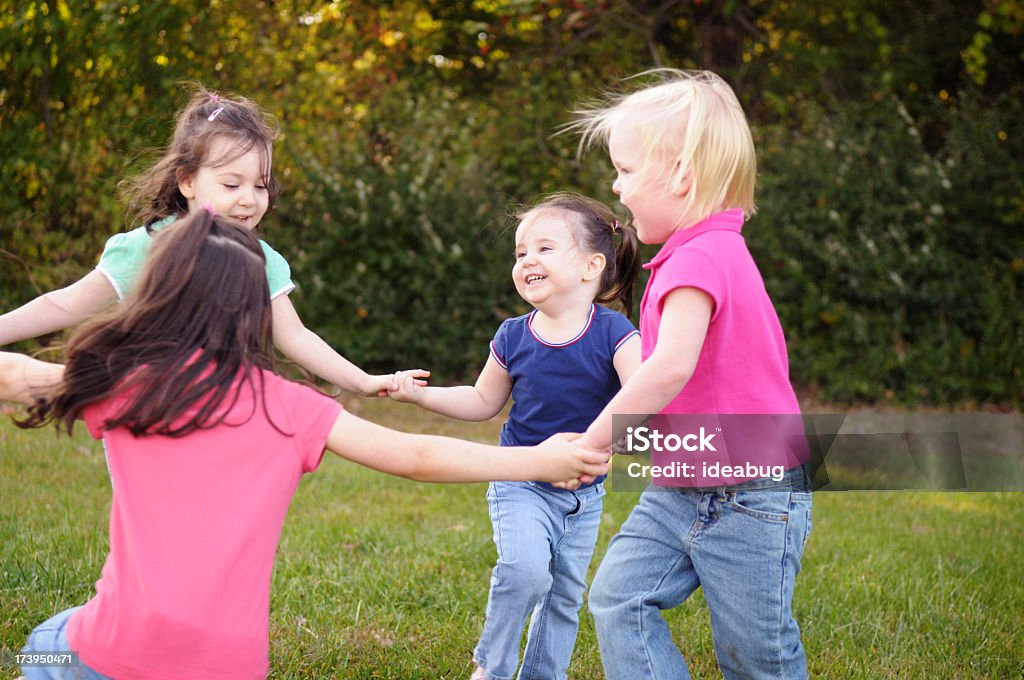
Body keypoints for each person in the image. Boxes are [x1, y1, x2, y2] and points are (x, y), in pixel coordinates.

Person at [0, 210, 610, 680]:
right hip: (231, 665)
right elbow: (418, 456)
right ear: (254, 315)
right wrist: (542, 459)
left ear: (157, 294)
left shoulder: (124, 387)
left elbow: (14, 376)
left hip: (115, 650)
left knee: (37, 654)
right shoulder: (286, 406)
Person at [568, 70, 813, 679]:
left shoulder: (702, 259)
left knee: (757, 657)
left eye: (624, 170)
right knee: (618, 597)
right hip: (682, 486)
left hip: (754, 495)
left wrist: (594, 441)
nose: (616, 187)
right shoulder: (691, 254)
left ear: (680, 175)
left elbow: (669, 369)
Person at [0, 85, 422, 396]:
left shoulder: (261, 260)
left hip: (219, 406)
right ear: (186, 180)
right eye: (231, 183)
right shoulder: (147, 247)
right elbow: (67, 304)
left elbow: (295, 337)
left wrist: (364, 381)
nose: (249, 199)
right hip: (144, 406)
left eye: (260, 186)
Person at [388, 193, 642, 680]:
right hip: (519, 480)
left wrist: (614, 441)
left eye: (544, 248)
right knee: (524, 572)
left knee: (565, 596)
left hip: (582, 495)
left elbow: (641, 398)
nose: (527, 260)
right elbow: (483, 402)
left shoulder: (616, 333)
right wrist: (420, 397)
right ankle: (494, 666)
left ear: (592, 266)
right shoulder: (513, 335)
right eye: (520, 252)